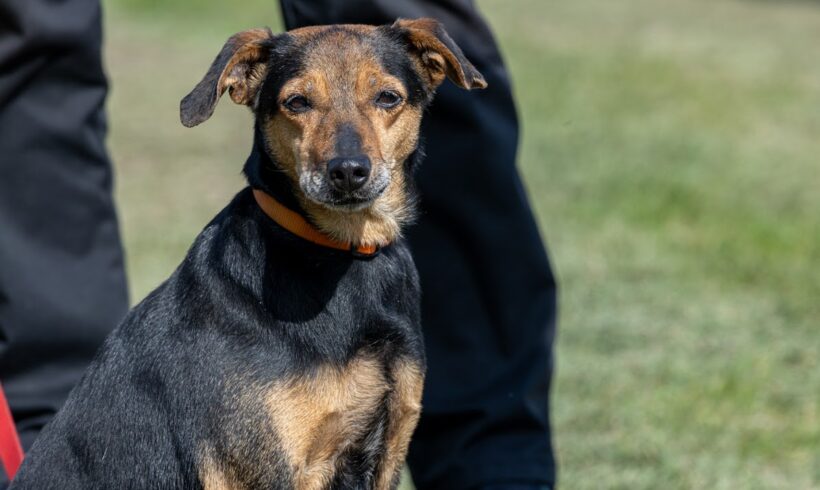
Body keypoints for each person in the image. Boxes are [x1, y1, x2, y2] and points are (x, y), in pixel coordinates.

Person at [0, 0, 557, 488]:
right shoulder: (227, 305)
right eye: (300, 104)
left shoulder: (394, 280)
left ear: (431, 78)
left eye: (385, 99)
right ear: (244, 88)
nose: (346, 156)